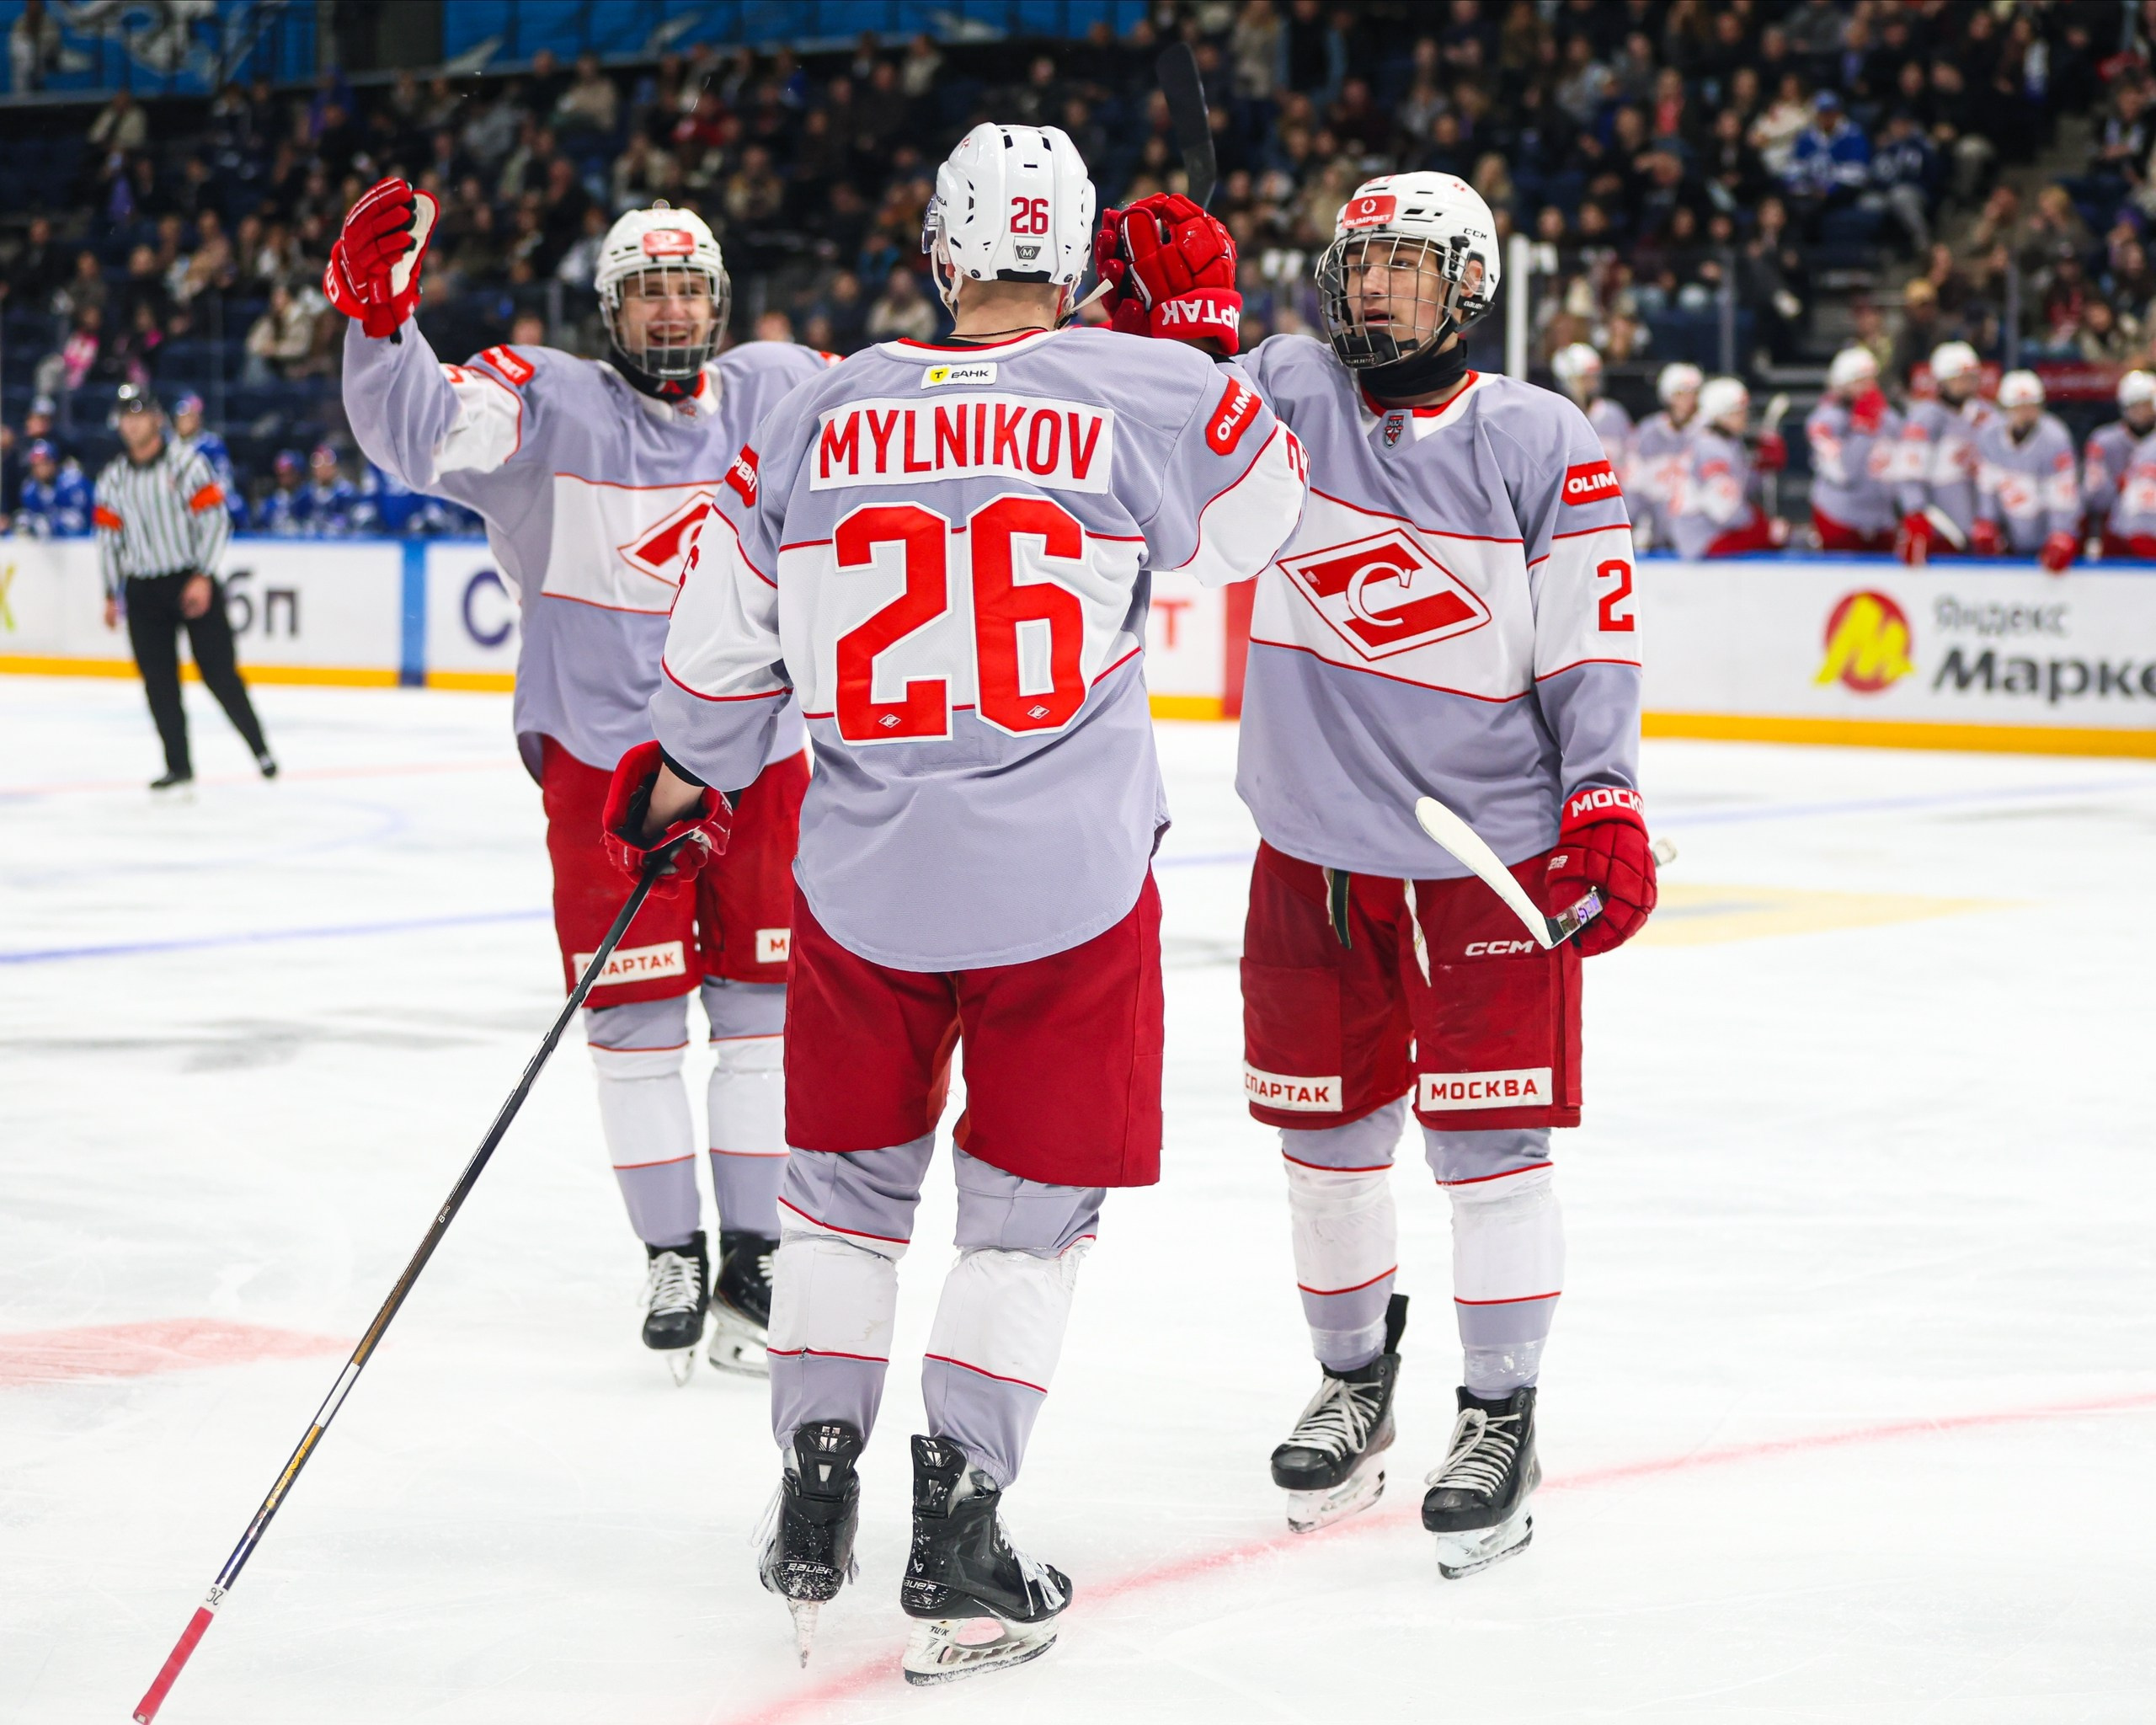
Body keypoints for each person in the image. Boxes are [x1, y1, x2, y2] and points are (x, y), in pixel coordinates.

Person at [616, 122, 1305, 1680]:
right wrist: (1194, 341)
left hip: (860, 888)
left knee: (842, 1195)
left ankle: (812, 1486)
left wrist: (679, 785)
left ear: (940, 251)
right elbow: (1269, 524)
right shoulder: (1144, 386)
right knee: (1026, 1211)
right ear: (1075, 258)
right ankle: (962, 1522)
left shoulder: (814, 401)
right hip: (1063, 890)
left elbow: (718, 660)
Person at [1098, 173, 1655, 1578]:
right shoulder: (1288, 389)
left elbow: (1594, 636)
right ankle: (1355, 1381)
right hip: (1317, 848)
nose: (1374, 287)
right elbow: (1173, 419)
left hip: (1490, 861)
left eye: (1406, 265)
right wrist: (1178, 314)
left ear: (1469, 283)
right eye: (1358, 263)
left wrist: (1604, 796)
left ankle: (1499, 1411)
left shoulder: (1541, 438)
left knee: (1488, 1153)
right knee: (1327, 1147)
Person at [337, 184, 831, 1381]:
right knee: (637, 1025)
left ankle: (754, 1257)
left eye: (688, 288)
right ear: (608, 308)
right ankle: (672, 1250)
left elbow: (926, 402)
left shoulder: (779, 388)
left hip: (760, 756)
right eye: (647, 291)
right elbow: (419, 431)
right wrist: (379, 323)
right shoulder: (544, 404)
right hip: (606, 769)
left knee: (763, 1021)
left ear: (719, 299)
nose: (671, 311)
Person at [93, 385, 276, 793]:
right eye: (125, 417)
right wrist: (110, 592)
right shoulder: (113, 479)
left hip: (191, 580)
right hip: (142, 590)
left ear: (157, 419)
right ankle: (178, 765)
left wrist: (203, 575)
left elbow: (215, 521)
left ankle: (260, 749)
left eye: (139, 415)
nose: (132, 424)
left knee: (219, 673)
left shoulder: (187, 465)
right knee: (158, 682)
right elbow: (108, 538)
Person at [1894, 340, 1995, 563]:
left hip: (1983, 526)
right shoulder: (1926, 417)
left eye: (1969, 378)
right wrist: (1915, 513)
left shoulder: (1989, 417)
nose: (1965, 385)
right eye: (1958, 379)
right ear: (1941, 382)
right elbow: (1909, 474)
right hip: (1941, 526)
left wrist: (1992, 517)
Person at [1972, 370, 2079, 572]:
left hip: (2043, 529)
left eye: (2031, 407)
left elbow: (2063, 492)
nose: (2025, 414)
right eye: (2018, 407)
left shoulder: (2055, 438)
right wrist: (1987, 522)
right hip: (2008, 532)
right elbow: (1987, 484)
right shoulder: (1989, 435)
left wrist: (2061, 533)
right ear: (2004, 408)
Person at [1671, 377, 1788, 558]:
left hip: (1705, 530)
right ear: (1720, 415)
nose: (1745, 417)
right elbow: (1727, 511)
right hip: (1702, 537)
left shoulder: (1723, 442)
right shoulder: (1710, 448)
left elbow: (1737, 490)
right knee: (1777, 535)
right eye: (1738, 412)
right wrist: (1765, 529)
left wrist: (1760, 466)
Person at [1805, 346, 1901, 551]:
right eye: (1860, 381)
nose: (1868, 388)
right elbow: (1843, 473)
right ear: (1842, 384)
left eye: (1871, 380)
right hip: (1840, 518)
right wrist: (1863, 430)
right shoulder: (1824, 421)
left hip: (1882, 519)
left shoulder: (1886, 417)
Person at [1628, 360, 1701, 550]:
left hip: (1695, 530)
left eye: (1691, 394)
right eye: (1680, 394)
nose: (1686, 401)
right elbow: (1634, 484)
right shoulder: (1648, 432)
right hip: (1655, 529)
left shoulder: (1707, 433)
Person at [2081, 369, 2155, 551]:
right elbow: (2094, 497)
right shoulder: (2104, 441)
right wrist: (2122, 487)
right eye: (2135, 405)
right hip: (2115, 528)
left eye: (2146, 405)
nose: (2141, 411)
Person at [171, 393, 249, 531]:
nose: (185, 422)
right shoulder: (169, 446)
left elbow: (224, 481)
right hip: (175, 497)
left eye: (190, 417)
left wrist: (203, 498)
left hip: (204, 496)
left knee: (235, 505)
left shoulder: (211, 444)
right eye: (182, 418)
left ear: (198, 419)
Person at [1550, 341, 1633, 473]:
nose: (1592, 383)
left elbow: (1630, 461)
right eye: (1584, 378)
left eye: (1593, 377)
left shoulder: (1614, 414)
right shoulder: (1556, 418)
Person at [15, 438, 91, 537]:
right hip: (50, 545)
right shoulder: (29, 490)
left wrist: (49, 524)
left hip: (85, 540)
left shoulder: (73, 483)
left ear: (54, 463)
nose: (40, 469)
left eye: (44, 463)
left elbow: (78, 522)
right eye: (36, 465)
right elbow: (32, 517)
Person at [256, 449, 309, 536]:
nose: (285, 478)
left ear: (298, 472)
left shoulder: (309, 499)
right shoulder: (270, 504)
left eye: (289, 473)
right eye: (281, 474)